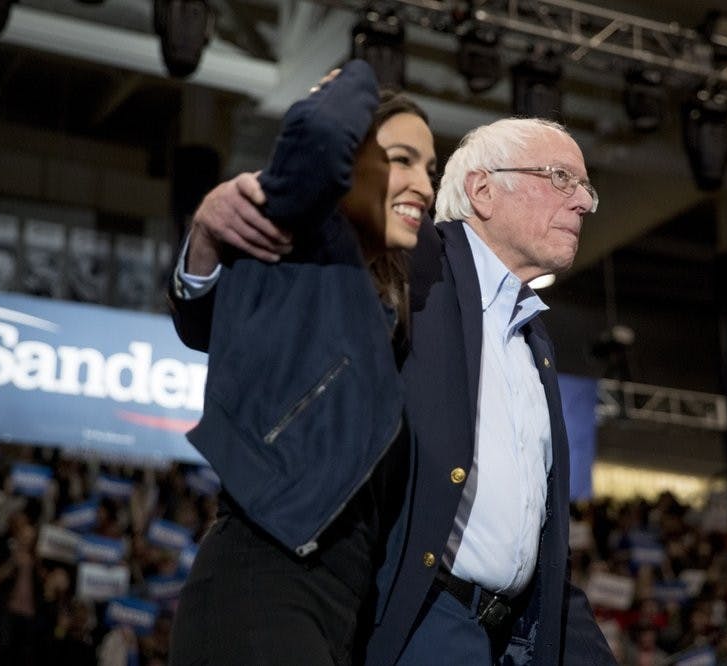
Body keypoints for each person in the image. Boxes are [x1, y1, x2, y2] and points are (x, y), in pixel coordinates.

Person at [172, 116, 615, 663]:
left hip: (500, 641)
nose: (582, 202)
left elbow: (546, 551)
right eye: (560, 178)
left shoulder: (534, 338)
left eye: (585, 188)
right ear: (482, 190)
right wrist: (209, 241)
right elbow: (254, 299)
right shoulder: (413, 260)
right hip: (413, 620)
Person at [167, 59, 437, 666]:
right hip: (264, 581)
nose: (423, 184)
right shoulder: (306, 238)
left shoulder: (385, 313)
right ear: (356, 163)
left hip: (340, 607)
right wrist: (364, 71)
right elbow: (318, 136)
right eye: (401, 159)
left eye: (430, 169)